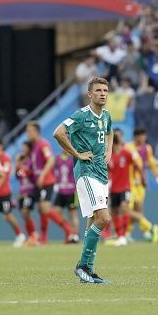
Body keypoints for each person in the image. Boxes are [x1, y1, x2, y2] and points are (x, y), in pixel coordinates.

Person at [53, 76, 113, 284]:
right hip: (87, 172)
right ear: (89, 94)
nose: (102, 93)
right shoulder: (80, 115)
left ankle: (87, 270)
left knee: (91, 222)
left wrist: (109, 150)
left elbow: (110, 131)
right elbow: (58, 133)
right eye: (98, 90)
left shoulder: (105, 116)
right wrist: (76, 154)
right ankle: (81, 266)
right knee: (104, 218)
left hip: (101, 173)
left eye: (105, 90)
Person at [26, 121, 74, 244]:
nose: (28, 134)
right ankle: (44, 237)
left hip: (46, 181)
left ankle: (69, 230)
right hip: (38, 182)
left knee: (45, 208)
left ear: (36, 132)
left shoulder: (43, 144)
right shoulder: (34, 146)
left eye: (30, 131)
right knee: (41, 210)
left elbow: (51, 159)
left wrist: (42, 175)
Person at [125, 127, 158, 241]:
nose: (143, 139)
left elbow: (152, 164)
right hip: (130, 183)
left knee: (138, 208)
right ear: (136, 137)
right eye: (141, 136)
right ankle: (146, 229)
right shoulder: (128, 147)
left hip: (141, 184)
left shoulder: (147, 148)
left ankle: (139, 232)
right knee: (129, 207)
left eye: (144, 136)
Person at [108, 129, 146, 247]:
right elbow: (107, 172)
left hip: (125, 187)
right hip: (113, 188)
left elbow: (137, 165)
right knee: (114, 211)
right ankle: (119, 235)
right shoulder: (109, 156)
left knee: (124, 208)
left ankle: (124, 235)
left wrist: (141, 178)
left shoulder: (126, 153)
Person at [0, 138, 27, 248]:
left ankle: (20, 235)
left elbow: (4, 174)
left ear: (0, 145)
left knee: (7, 215)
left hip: (3, 192)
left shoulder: (6, 158)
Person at [53, 150, 80, 242]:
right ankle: (69, 230)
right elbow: (54, 172)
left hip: (71, 190)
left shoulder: (74, 159)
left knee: (72, 213)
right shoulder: (57, 159)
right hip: (61, 190)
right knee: (56, 212)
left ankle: (75, 235)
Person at [15, 141, 39, 245]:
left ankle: (34, 235)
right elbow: (17, 176)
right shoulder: (20, 162)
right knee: (23, 214)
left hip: (30, 191)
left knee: (26, 211)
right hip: (22, 191)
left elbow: (32, 174)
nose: (23, 150)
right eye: (22, 148)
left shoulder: (31, 161)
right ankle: (31, 236)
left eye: (25, 148)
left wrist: (21, 166)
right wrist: (18, 164)